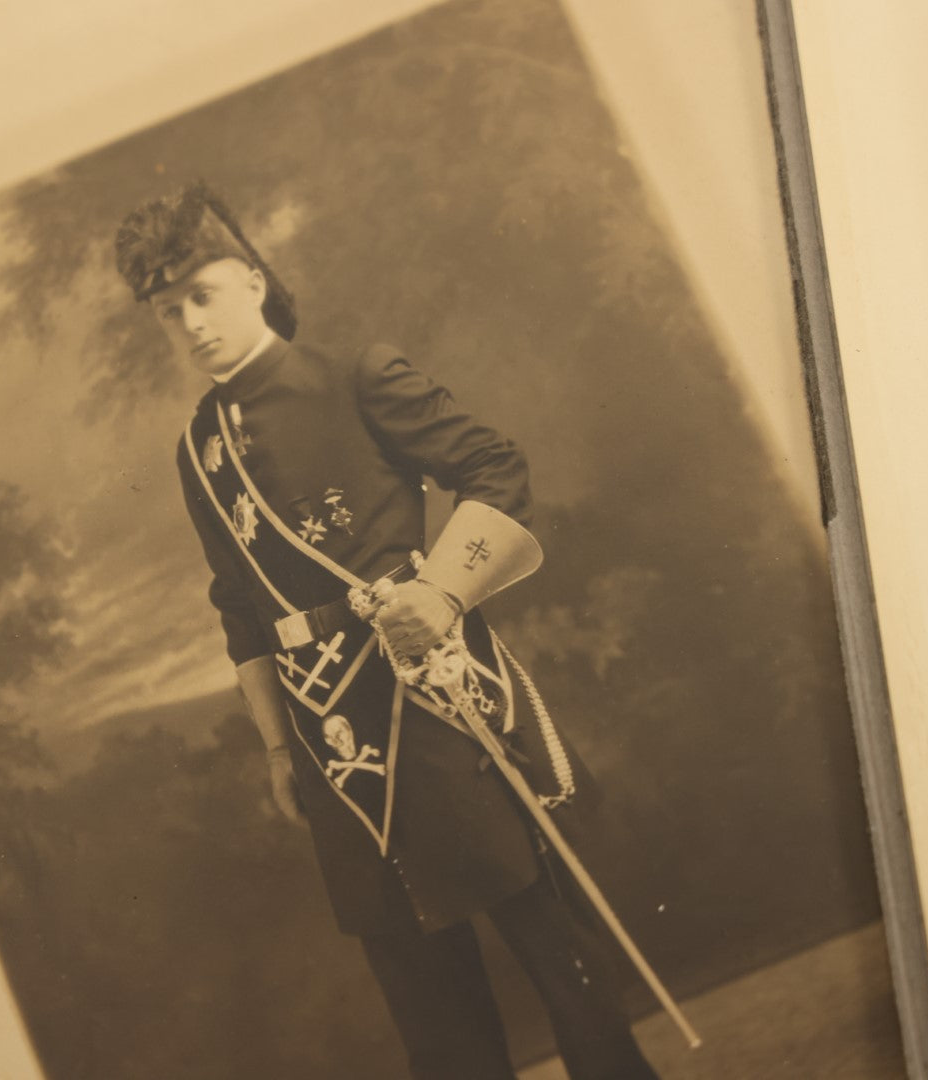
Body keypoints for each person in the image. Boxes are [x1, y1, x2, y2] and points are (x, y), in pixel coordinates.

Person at [115, 181, 660, 1080]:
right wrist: (280, 752)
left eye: (201, 295)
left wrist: (443, 592)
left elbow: (495, 467)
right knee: (431, 1015)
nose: (189, 325)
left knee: (559, 963)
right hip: (332, 746)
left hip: (434, 703)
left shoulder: (353, 375)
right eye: (168, 313)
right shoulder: (197, 449)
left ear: (251, 280)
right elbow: (238, 604)